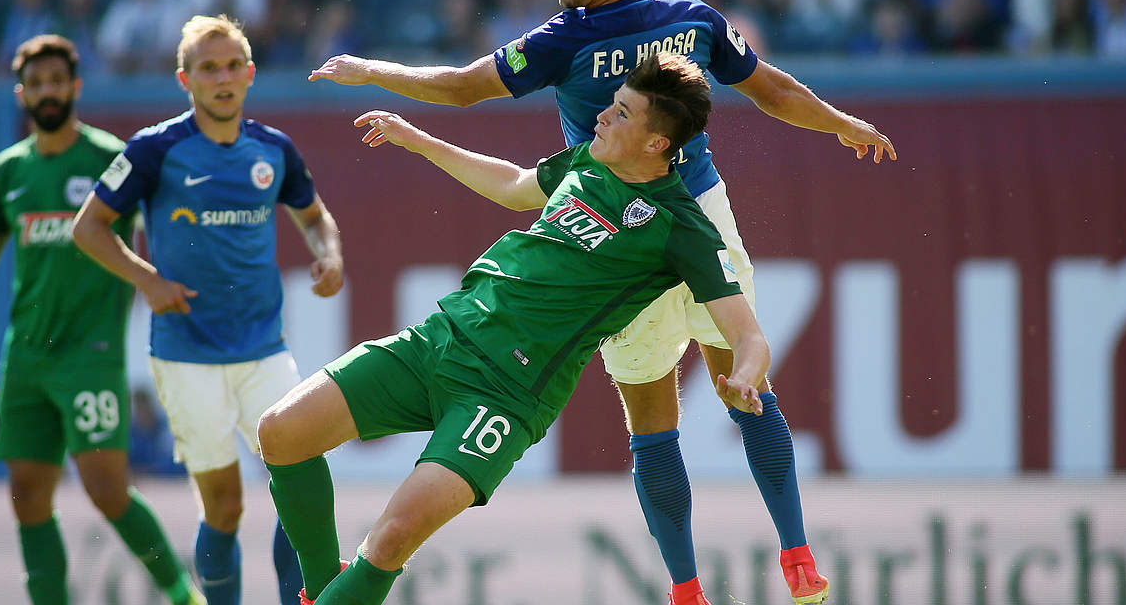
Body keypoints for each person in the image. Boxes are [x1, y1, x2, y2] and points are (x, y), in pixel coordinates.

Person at [308, 0, 899, 605]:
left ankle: (685, 589)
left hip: (612, 237)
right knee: (742, 381)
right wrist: (840, 124)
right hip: (699, 213)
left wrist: (371, 70)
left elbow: (465, 89)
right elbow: (768, 88)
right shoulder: (693, 18)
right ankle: (798, 554)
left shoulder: (564, 38)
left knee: (652, 417)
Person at [259, 51, 769, 605]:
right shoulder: (588, 161)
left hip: (505, 393)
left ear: (656, 144)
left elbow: (748, 335)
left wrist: (744, 377)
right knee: (282, 433)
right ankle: (318, 594)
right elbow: (515, 185)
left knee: (390, 539)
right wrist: (418, 139)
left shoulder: (681, 226)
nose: (601, 115)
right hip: (439, 339)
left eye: (622, 113)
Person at [72, 14, 344, 605]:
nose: (221, 78)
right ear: (185, 80)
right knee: (223, 506)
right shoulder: (155, 149)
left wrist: (330, 256)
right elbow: (88, 228)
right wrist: (148, 281)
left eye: (231, 67)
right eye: (207, 68)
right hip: (185, 354)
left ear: (249, 74)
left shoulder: (273, 149)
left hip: (264, 350)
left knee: (296, 488)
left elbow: (315, 215)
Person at [0, 34, 204, 605]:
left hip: (91, 350)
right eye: (36, 83)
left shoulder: (106, 158)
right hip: (26, 355)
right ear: (22, 93)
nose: (47, 91)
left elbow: (166, 222)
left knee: (107, 490)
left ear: (75, 87)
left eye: (57, 81)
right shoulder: (6, 171)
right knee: (27, 492)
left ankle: (183, 595)